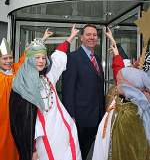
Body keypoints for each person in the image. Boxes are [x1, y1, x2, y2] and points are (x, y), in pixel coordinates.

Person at [9, 24, 82, 160]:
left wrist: (71, 37)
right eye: (37, 57)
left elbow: (59, 56)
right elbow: (20, 123)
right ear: (29, 59)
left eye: (43, 57)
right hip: (41, 142)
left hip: (62, 135)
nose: (41, 61)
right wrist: (31, 149)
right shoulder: (21, 85)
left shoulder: (48, 75)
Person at [92, 28, 150, 160]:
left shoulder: (132, 112)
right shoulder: (131, 77)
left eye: (140, 60)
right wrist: (114, 43)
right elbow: (121, 63)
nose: (136, 61)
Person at [0, 29, 52, 160]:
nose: (8, 61)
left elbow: (28, 56)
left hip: (18, 117)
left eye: (10, 57)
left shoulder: (18, 70)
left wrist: (42, 39)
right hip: (2, 121)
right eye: (4, 58)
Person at [62, 24, 105, 160]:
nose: (92, 38)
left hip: (96, 117)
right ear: (81, 38)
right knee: (76, 153)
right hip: (79, 118)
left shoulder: (97, 59)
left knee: (85, 152)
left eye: (94, 35)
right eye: (88, 34)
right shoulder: (73, 58)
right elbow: (68, 89)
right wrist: (71, 115)